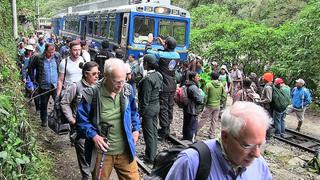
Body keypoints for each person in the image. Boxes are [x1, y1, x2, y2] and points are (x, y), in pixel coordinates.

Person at [166, 101, 272, 180]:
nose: (257, 154)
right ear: (225, 137)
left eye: (260, 145)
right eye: (247, 146)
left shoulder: (260, 164)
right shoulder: (191, 162)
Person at [77, 58, 140, 180]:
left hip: (125, 150)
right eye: (117, 82)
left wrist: (136, 129)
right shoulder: (92, 94)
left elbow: (134, 112)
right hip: (102, 153)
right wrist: (94, 136)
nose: (121, 85)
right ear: (106, 76)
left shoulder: (127, 90)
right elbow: (81, 120)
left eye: (123, 80)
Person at [61, 61, 99, 180]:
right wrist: (72, 119)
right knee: (84, 160)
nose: (97, 76)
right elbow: (64, 102)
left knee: (95, 159)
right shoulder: (76, 86)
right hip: (80, 129)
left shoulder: (98, 87)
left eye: (98, 73)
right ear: (86, 74)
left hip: (95, 129)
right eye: (94, 74)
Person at [146, 35, 180, 140]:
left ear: (166, 45)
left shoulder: (161, 55)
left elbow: (148, 52)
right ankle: (167, 127)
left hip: (164, 85)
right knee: (170, 106)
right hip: (172, 84)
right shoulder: (177, 55)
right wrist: (163, 43)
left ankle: (164, 130)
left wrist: (149, 42)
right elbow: (168, 49)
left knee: (163, 107)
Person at [138, 54, 163, 164]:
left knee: (148, 134)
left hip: (148, 110)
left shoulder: (147, 79)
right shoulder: (158, 75)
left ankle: (150, 158)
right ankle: (153, 154)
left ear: (147, 64)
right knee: (153, 132)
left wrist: (141, 113)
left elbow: (145, 99)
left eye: (144, 62)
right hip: (156, 106)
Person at [28, 43, 61, 127]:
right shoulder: (38, 58)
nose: (51, 54)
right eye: (50, 52)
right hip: (44, 86)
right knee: (43, 104)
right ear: (45, 51)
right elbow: (31, 67)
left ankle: (58, 121)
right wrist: (33, 80)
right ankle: (44, 120)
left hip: (55, 85)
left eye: (53, 52)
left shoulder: (57, 57)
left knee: (58, 103)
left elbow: (61, 68)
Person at [198, 72, 226, 139]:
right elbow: (224, 96)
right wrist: (221, 102)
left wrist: (204, 104)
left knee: (203, 118)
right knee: (214, 120)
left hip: (209, 105)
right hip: (217, 105)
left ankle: (195, 130)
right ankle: (212, 134)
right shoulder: (221, 85)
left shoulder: (208, 85)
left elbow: (205, 96)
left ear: (211, 77)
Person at [182, 72, 204, 142]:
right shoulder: (193, 87)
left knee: (186, 124)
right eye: (197, 76)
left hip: (186, 107)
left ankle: (185, 138)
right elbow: (200, 100)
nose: (198, 78)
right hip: (192, 109)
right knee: (192, 126)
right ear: (193, 78)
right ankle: (191, 140)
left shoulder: (186, 84)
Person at [259, 72, 273, 141]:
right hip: (266, 107)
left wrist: (260, 101)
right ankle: (266, 136)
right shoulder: (268, 85)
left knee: (267, 121)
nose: (262, 79)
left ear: (266, 79)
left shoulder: (268, 87)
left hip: (267, 107)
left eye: (264, 78)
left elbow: (269, 99)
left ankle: (268, 137)